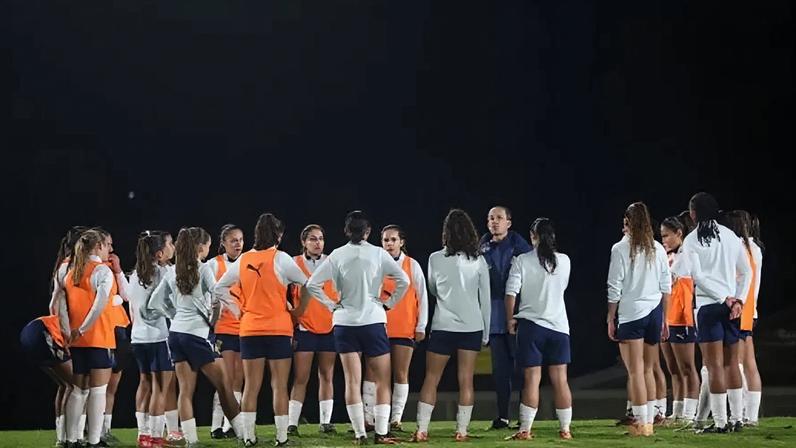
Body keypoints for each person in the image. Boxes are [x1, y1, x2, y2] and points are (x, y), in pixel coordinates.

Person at [306, 211, 410, 445]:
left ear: (346, 231)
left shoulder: (336, 255)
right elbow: (404, 280)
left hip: (344, 323)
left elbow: (312, 284)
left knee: (352, 381)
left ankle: (360, 433)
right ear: (367, 232)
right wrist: (388, 304)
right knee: (383, 380)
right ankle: (381, 433)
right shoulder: (378, 253)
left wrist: (332, 305)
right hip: (373, 321)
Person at [411, 209, 491, 442]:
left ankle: (422, 430)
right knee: (466, 379)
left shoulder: (435, 258)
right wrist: (485, 333)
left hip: (443, 325)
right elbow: (484, 299)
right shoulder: (478, 260)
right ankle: (461, 431)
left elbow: (433, 289)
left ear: (446, 232)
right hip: (471, 326)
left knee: (431, 378)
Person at [607, 202, 671, 437]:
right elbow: (666, 285)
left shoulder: (620, 249)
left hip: (632, 314)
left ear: (627, 222)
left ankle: (642, 425)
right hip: (654, 313)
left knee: (635, 372)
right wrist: (664, 318)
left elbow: (614, 287)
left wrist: (610, 317)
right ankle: (649, 424)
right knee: (648, 370)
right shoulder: (657, 248)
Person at [505, 218, 573, 440]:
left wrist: (509, 320)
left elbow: (511, 293)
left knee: (532, 379)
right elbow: (561, 288)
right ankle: (565, 430)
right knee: (560, 380)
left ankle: (525, 429)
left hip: (532, 326)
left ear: (532, 236)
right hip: (559, 327)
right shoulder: (564, 261)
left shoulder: (522, 260)